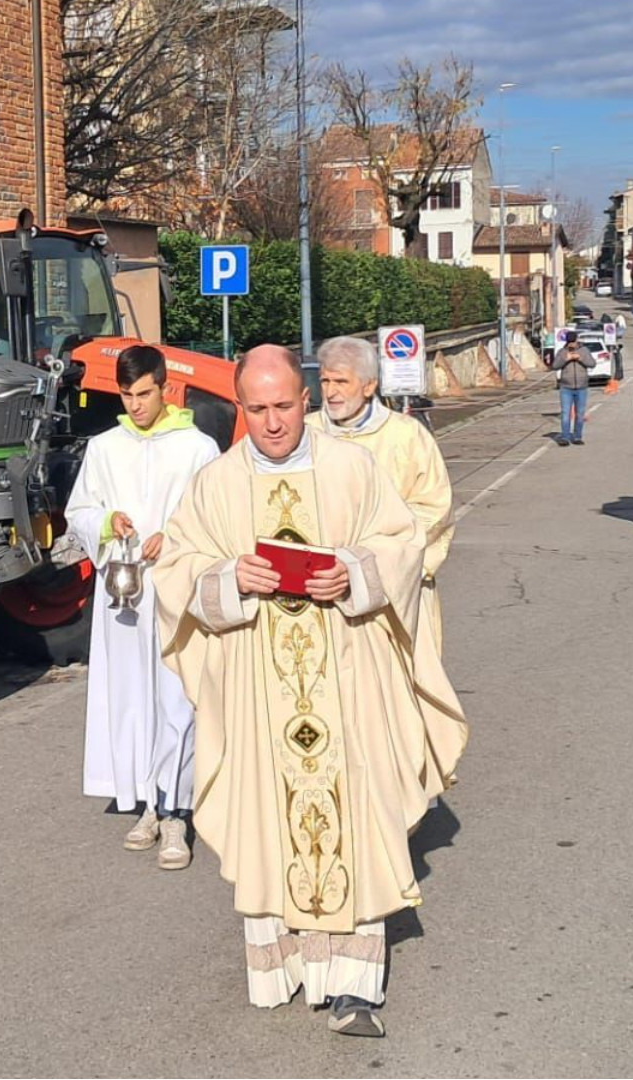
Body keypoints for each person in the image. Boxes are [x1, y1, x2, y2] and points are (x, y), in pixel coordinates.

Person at [154, 344, 468, 1039]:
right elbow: (175, 572)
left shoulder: (350, 468)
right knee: (270, 821)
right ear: (242, 408)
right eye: (257, 409)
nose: (271, 423)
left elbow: (403, 542)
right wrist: (230, 576)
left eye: (285, 406)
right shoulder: (216, 484)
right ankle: (286, 967)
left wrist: (354, 573)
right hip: (258, 695)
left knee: (354, 817)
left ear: (307, 401)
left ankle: (354, 985)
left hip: (349, 685)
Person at [62, 344, 220, 869]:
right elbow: (80, 509)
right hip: (125, 591)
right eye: (127, 395)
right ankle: (146, 803)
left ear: (165, 386)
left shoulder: (197, 448)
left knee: (176, 698)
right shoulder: (106, 447)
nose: (135, 405)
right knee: (131, 696)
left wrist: (172, 535)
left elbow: (217, 514)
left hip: (176, 590)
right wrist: (110, 523)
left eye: (145, 394)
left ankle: (177, 813)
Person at [309, 335, 456, 650]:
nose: (330, 391)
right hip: (321, 588)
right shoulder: (306, 434)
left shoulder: (405, 436)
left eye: (340, 381)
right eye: (325, 381)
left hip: (394, 589)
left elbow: (434, 507)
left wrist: (371, 555)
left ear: (368, 385)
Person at [548, 332, 596, 446]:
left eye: (573, 342)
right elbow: (554, 366)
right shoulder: (562, 352)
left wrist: (580, 358)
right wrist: (566, 358)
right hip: (566, 387)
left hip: (581, 387)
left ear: (577, 341)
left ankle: (577, 436)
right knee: (565, 413)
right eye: (570, 342)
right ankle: (565, 437)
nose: (572, 345)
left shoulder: (584, 350)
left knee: (580, 414)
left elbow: (592, 363)